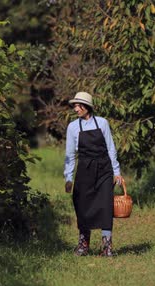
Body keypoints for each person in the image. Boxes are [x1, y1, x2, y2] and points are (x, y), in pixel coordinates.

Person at [64, 92, 124, 257]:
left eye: (78, 105)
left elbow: (111, 148)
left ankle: (107, 247)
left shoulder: (103, 123)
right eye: (74, 105)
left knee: (106, 206)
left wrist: (116, 171)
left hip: (104, 169)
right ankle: (84, 244)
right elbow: (69, 155)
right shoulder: (73, 127)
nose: (75, 109)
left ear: (86, 106)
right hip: (85, 170)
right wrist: (68, 178)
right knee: (82, 205)